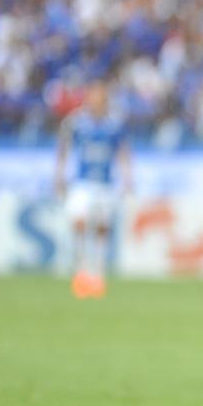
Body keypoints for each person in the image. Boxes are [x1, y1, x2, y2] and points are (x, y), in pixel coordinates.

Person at [55, 78, 131, 299]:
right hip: (83, 182)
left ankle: (97, 271)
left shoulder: (114, 124)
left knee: (101, 227)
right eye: (94, 96)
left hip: (105, 183)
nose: (98, 100)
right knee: (79, 220)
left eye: (101, 96)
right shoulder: (76, 123)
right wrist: (59, 176)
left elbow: (123, 152)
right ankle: (80, 268)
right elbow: (64, 149)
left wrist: (127, 178)